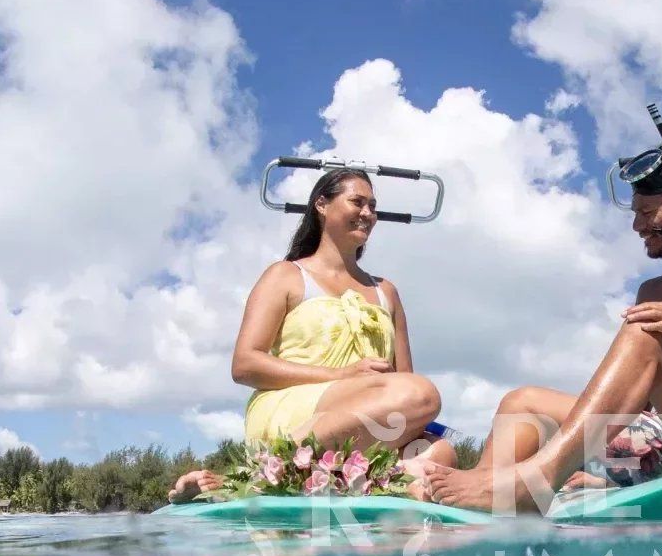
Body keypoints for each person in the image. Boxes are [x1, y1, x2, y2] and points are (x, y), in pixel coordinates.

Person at [426, 144, 662, 512]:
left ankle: (537, 479)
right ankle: (482, 506)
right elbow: (640, 400)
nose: (637, 226)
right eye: (635, 213)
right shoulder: (653, 290)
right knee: (521, 403)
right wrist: (607, 471)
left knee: (647, 330)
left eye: (647, 212)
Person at [169, 167, 454, 502]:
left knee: (439, 453)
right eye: (357, 202)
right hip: (295, 408)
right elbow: (245, 365)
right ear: (321, 204)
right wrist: (343, 376)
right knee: (423, 394)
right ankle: (266, 475)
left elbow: (402, 379)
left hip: (366, 416)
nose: (368, 213)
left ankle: (357, 486)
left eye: (373, 206)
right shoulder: (286, 276)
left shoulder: (386, 291)